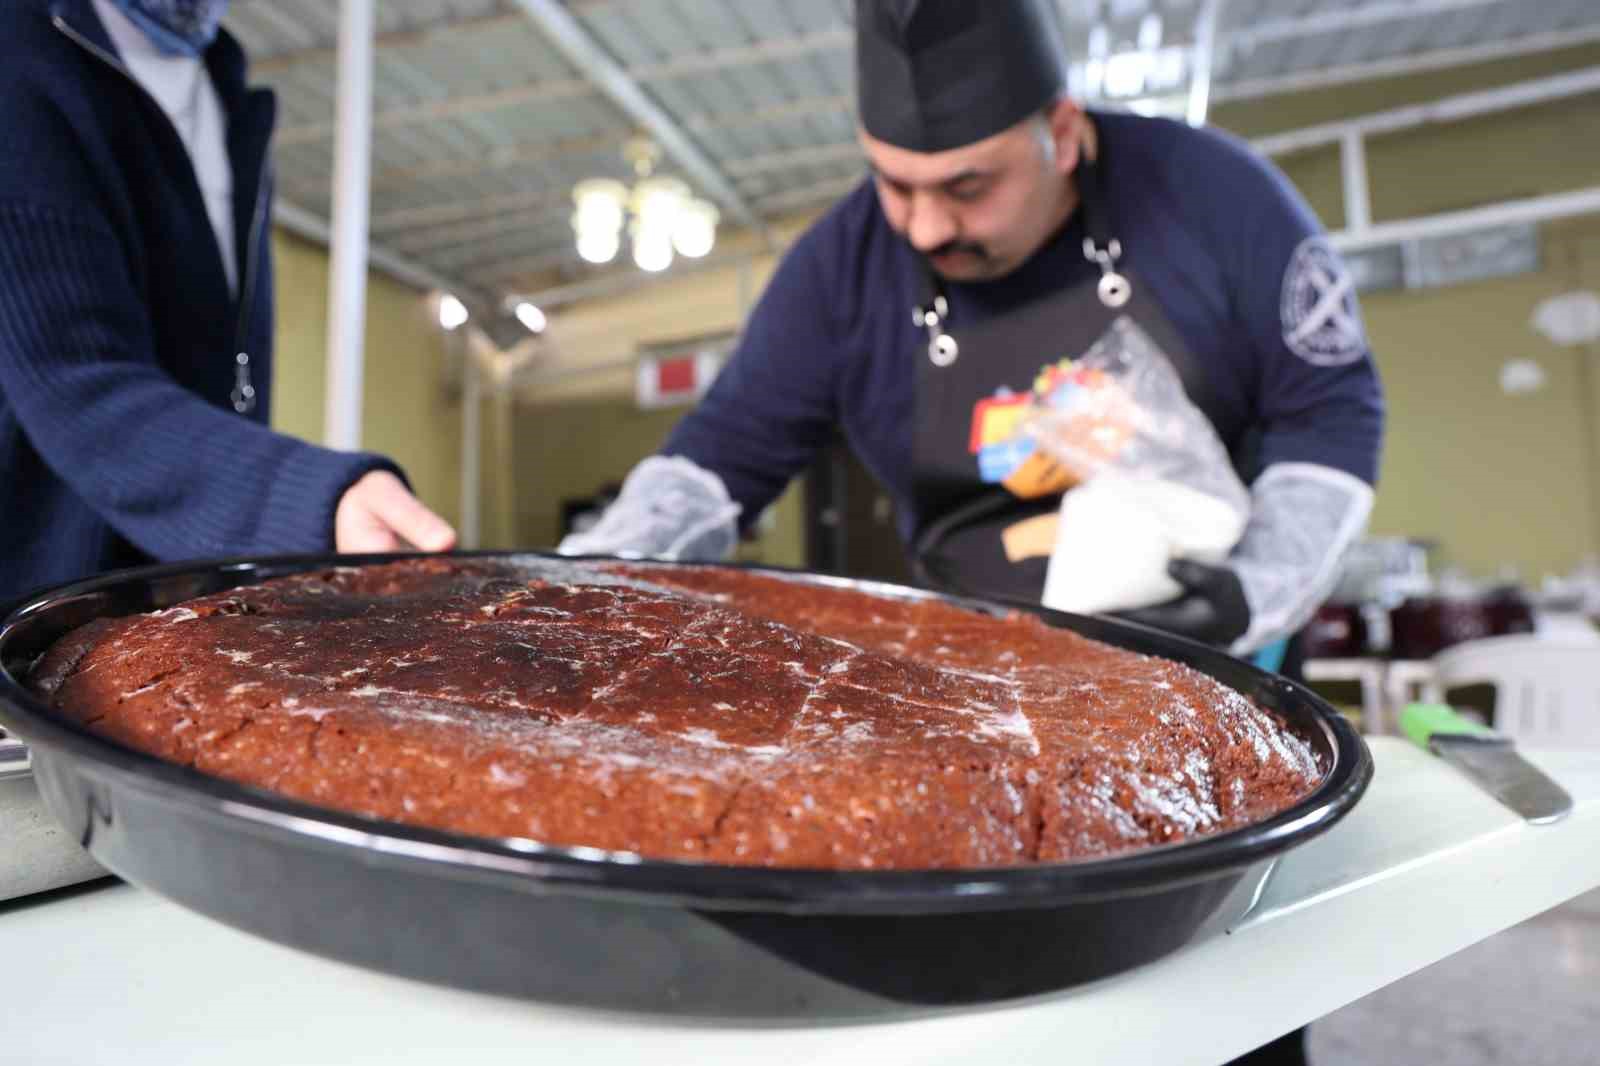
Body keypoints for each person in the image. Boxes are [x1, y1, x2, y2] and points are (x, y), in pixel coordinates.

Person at [563, 0, 1384, 681]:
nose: (924, 227)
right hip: (969, 679)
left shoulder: (1218, 199)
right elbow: (718, 458)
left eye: (967, 187)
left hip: (1210, 658)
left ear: (1061, 135)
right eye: (894, 184)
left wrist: (1254, 591)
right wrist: (574, 586)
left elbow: (1332, 413)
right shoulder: (838, 268)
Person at [0, 0, 456, 603]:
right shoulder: (20, 53)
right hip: (46, 598)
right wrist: (305, 498)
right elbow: (72, 375)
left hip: (186, 588)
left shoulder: (223, 86)